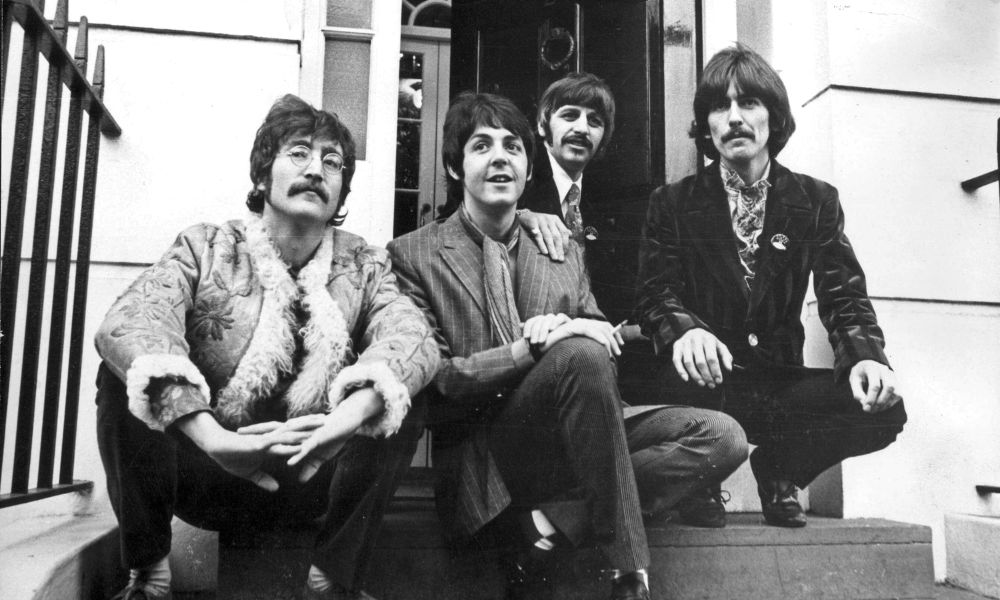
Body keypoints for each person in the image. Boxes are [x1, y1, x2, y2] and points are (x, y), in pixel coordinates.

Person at [388, 91, 746, 600]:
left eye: (513, 147)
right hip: (488, 451)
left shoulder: (560, 248)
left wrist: (582, 330)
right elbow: (438, 380)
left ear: (529, 169)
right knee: (576, 351)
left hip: (578, 442)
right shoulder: (412, 254)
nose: (500, 158)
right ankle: (630, 571)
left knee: (723, 436)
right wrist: (536, 348)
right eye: (481, 146)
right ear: (453, 166)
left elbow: (601, 343)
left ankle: (552, 520)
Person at [95, 94, 439, 600]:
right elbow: (130, 323)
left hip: (315, 473)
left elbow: (413, 338)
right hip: (211, 470)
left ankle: (332, 577)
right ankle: (149, 574)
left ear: (341, 191)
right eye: (298, 153)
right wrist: (215, 439)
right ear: (262, 176)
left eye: (332, 162)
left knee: (400, 393)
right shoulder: (205, 247)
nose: (316, 170)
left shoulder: (366, 265)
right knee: (127, 374)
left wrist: (339, 426)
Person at [637, 44, 907, 528]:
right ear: (706, 125)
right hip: (702, 386)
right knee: (690, 386)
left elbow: (843, 295)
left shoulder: (815, 200)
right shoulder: (672, 202)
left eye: (748, 103)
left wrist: (866, 356)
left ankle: (779, 468)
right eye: (719, 107)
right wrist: (684, 330)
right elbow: (655, 291)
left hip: (774, 384)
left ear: (774, 116)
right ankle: (699, 481)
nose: (733, 118)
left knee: (884, 408)